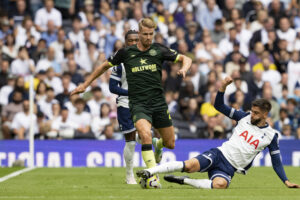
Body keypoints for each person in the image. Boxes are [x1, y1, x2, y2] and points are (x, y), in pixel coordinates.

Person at [71, 18, 192, 186]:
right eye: (145, 34)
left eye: (151, 34)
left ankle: (159, 145)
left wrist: (184, 69)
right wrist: (85, 84)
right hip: (136, 103)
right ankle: (151, 176)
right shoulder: (125, 54)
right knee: (143, 135)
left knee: (170, 143)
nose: (148, 37)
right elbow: (103, 67)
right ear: (139, 33)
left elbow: (186, 59)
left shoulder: (158, 50)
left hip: (157, 103)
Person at [136, 77, 300, 189]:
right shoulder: (243, 117)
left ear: (265, 115)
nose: (253, 115)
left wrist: (286, 181)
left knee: (219, 186)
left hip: (230, 168)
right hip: (219, 154)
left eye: (257, 113)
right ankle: (151, 172)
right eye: (252, 111)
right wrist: (222, 88)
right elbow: (219, 107)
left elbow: (276, 161)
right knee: (189, 165)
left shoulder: (271, 136)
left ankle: (184, 181)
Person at [108, 30, 139, 184]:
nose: (133, 43)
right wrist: (129, 92)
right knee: (131, 141)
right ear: (126, 42)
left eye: (136, 40)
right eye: (130, 41)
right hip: (126, 103)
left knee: (147, 135)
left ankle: (155, 146)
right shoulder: (120, 63)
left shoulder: (147, 60)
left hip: (144, 103)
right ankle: (129, 175)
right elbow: (112, 87)